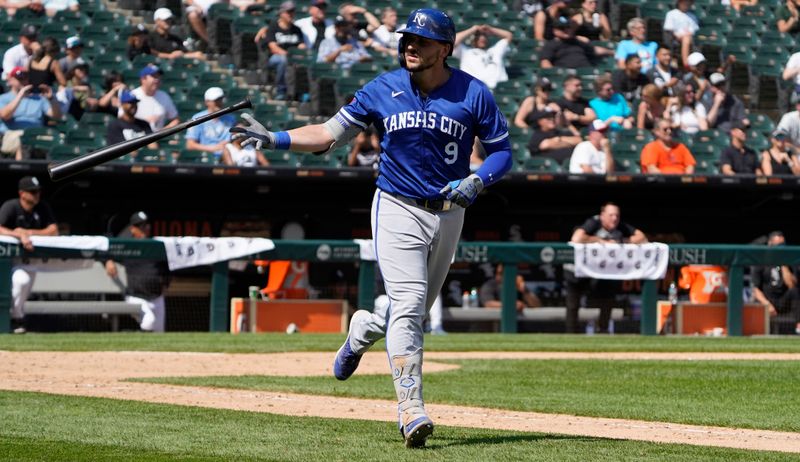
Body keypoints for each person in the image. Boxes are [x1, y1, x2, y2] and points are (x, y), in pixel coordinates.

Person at [230, 8, 513, 448]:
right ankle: (411, 409)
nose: (410, 46)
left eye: (420, 40)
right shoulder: (383, 87)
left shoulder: (474, 92)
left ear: (445, 48)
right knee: (412, 300)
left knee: (410, 312)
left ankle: (363, 328)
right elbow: (328, 134)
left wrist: (478, 179)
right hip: (397, 205)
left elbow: (501, 153)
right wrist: (276, 138)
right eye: (407, 39)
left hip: (450, 210)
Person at [567, 202, 647, 333]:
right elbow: (576, 238)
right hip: (578, 269)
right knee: (573, 303)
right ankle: (570, 334)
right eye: (611, 215)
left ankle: (603, 330)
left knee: (608, 295)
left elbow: (642, 237)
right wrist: (599, 240)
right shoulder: (594, 222)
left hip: (601, 271)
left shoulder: (619, 225)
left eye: (617, 215)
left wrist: (622, 241)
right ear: (602, 216)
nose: (614, 218)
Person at [0, 176, 58, 334]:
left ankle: (16, 319)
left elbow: (54, 230)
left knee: (23, 284)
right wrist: (17, 235)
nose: (36, 195)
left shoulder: (42, 207)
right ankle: (15, 319)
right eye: (32, 192)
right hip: (8, 259)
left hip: (32, 259)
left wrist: (28, 232)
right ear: (22, 193)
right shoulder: (11, 206)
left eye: (38, 191)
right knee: (21, 281)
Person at [105, 211, 171, 332]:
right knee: (149, 321)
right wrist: (108, 260)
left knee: (159, 333)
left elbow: (166, 267)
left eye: (146, 225)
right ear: (132, 229)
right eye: (140, 226)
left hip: (157, 297)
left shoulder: (155, 245)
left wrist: (166, 284)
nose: (145, 228)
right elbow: (103, 249)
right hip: (136, 296)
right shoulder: (127, 246)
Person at [0, 66, 61, 160]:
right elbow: (5, 116)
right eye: (19, 78)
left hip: (37, 135)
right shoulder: (3, 98)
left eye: (25, 77)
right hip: (12, 134)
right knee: (22, 140)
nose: (23, 80)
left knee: (59, 140)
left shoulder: (39, 98)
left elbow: (56, 116)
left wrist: (51, 99)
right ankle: (20, 172)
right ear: (10, 80)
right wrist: (20, 95)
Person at [750, 231, 800, 334]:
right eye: (778, 245)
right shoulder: (761, 262)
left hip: (782, 301)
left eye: (783, 245)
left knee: (795, 292)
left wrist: (783, 264)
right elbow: (755, 289)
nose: (781, 248)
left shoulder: (789, 262)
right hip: (766, 300)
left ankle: (798, 325)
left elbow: (791, 286)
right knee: (756, 299)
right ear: (770, 244)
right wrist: (767, 304)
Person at [258, 1, 307, 100]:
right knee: (283, 60)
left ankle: (300, 91)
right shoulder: (273, 27)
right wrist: (290, 56)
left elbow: (302, 46)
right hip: (274, 59)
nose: (291, 14)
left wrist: (299, 56)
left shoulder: (297, 29)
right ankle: (280, 90)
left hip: (292, 58)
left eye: (292, 11)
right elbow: (273, 47)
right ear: (281, 13)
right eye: (288, 11)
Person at [453, 24, 512, 90]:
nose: (482, 38)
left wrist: (491, 29)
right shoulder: (466, 52)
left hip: (497, 89)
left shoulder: (495, 50)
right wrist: (473, 30)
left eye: (484, 36)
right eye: (478, 36)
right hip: (473, 89)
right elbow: (453, 41)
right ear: (473, 39)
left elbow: (508, 36)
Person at [540, 16, 613, 69]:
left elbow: (594, 50)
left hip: (586, 72)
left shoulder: (578, 41)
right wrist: (556, 75)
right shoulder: (551, 44)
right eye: (562, 28)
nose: (566, 30)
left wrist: (612, 52)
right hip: (567, 77)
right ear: (555, 31)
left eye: (568, 27)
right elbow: (545, 63)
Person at [185, 87, 237, 160]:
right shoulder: (197, 118)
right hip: (205, 157)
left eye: (220, 99)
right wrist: (213, 148)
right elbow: (190, 145)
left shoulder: (231, 118)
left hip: (230, 155)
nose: (219, 103)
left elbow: (236, 138)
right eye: (215, 100)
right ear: (207, 102)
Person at [105, 89, 155, 156]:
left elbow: (153, 146)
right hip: (125, 163)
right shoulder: (115, 125)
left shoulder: (144, 124)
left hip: (146, 162)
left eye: (135, 102)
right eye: (130, 102)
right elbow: (123, 149)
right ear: (122, 104)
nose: (133, 105)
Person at [131, 64, 179, 131]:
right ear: (143, 79)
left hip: (157, 139)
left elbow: (175, 120)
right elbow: (122, 120)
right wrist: (143, 122)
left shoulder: (164, 96)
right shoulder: (133, 95)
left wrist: (162, 132)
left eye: (158, 76)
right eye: (154, 76)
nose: (157, 80)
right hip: (136, 137)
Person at [664, 0, 699, 68]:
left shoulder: (692, 16)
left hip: (690, 39)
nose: (687, 3)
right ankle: (686, 63)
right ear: (679, 2)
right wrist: (678, 35)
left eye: (688, 1)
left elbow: (694, 30)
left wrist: (687, 34)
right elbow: (669, 30)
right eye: (684, 1)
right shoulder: (671, 14)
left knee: (687, 38)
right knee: (686, 38)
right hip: (675, 39)